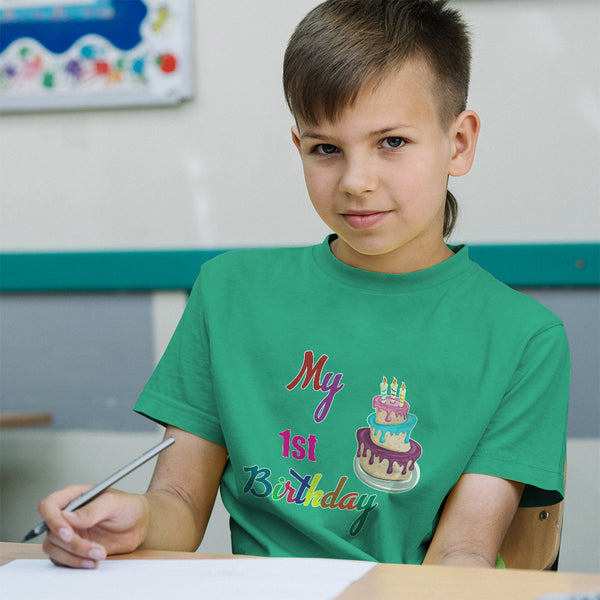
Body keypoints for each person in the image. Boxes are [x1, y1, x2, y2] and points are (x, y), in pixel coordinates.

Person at [38, 0, 569, 570]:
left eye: (391, 142)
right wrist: (135, 518)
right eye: (326, 148)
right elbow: (180, 505)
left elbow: (462, 552)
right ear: (299, 148)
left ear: (458, 143)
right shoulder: (228, 293)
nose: (355, 181)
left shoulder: (525, 338)